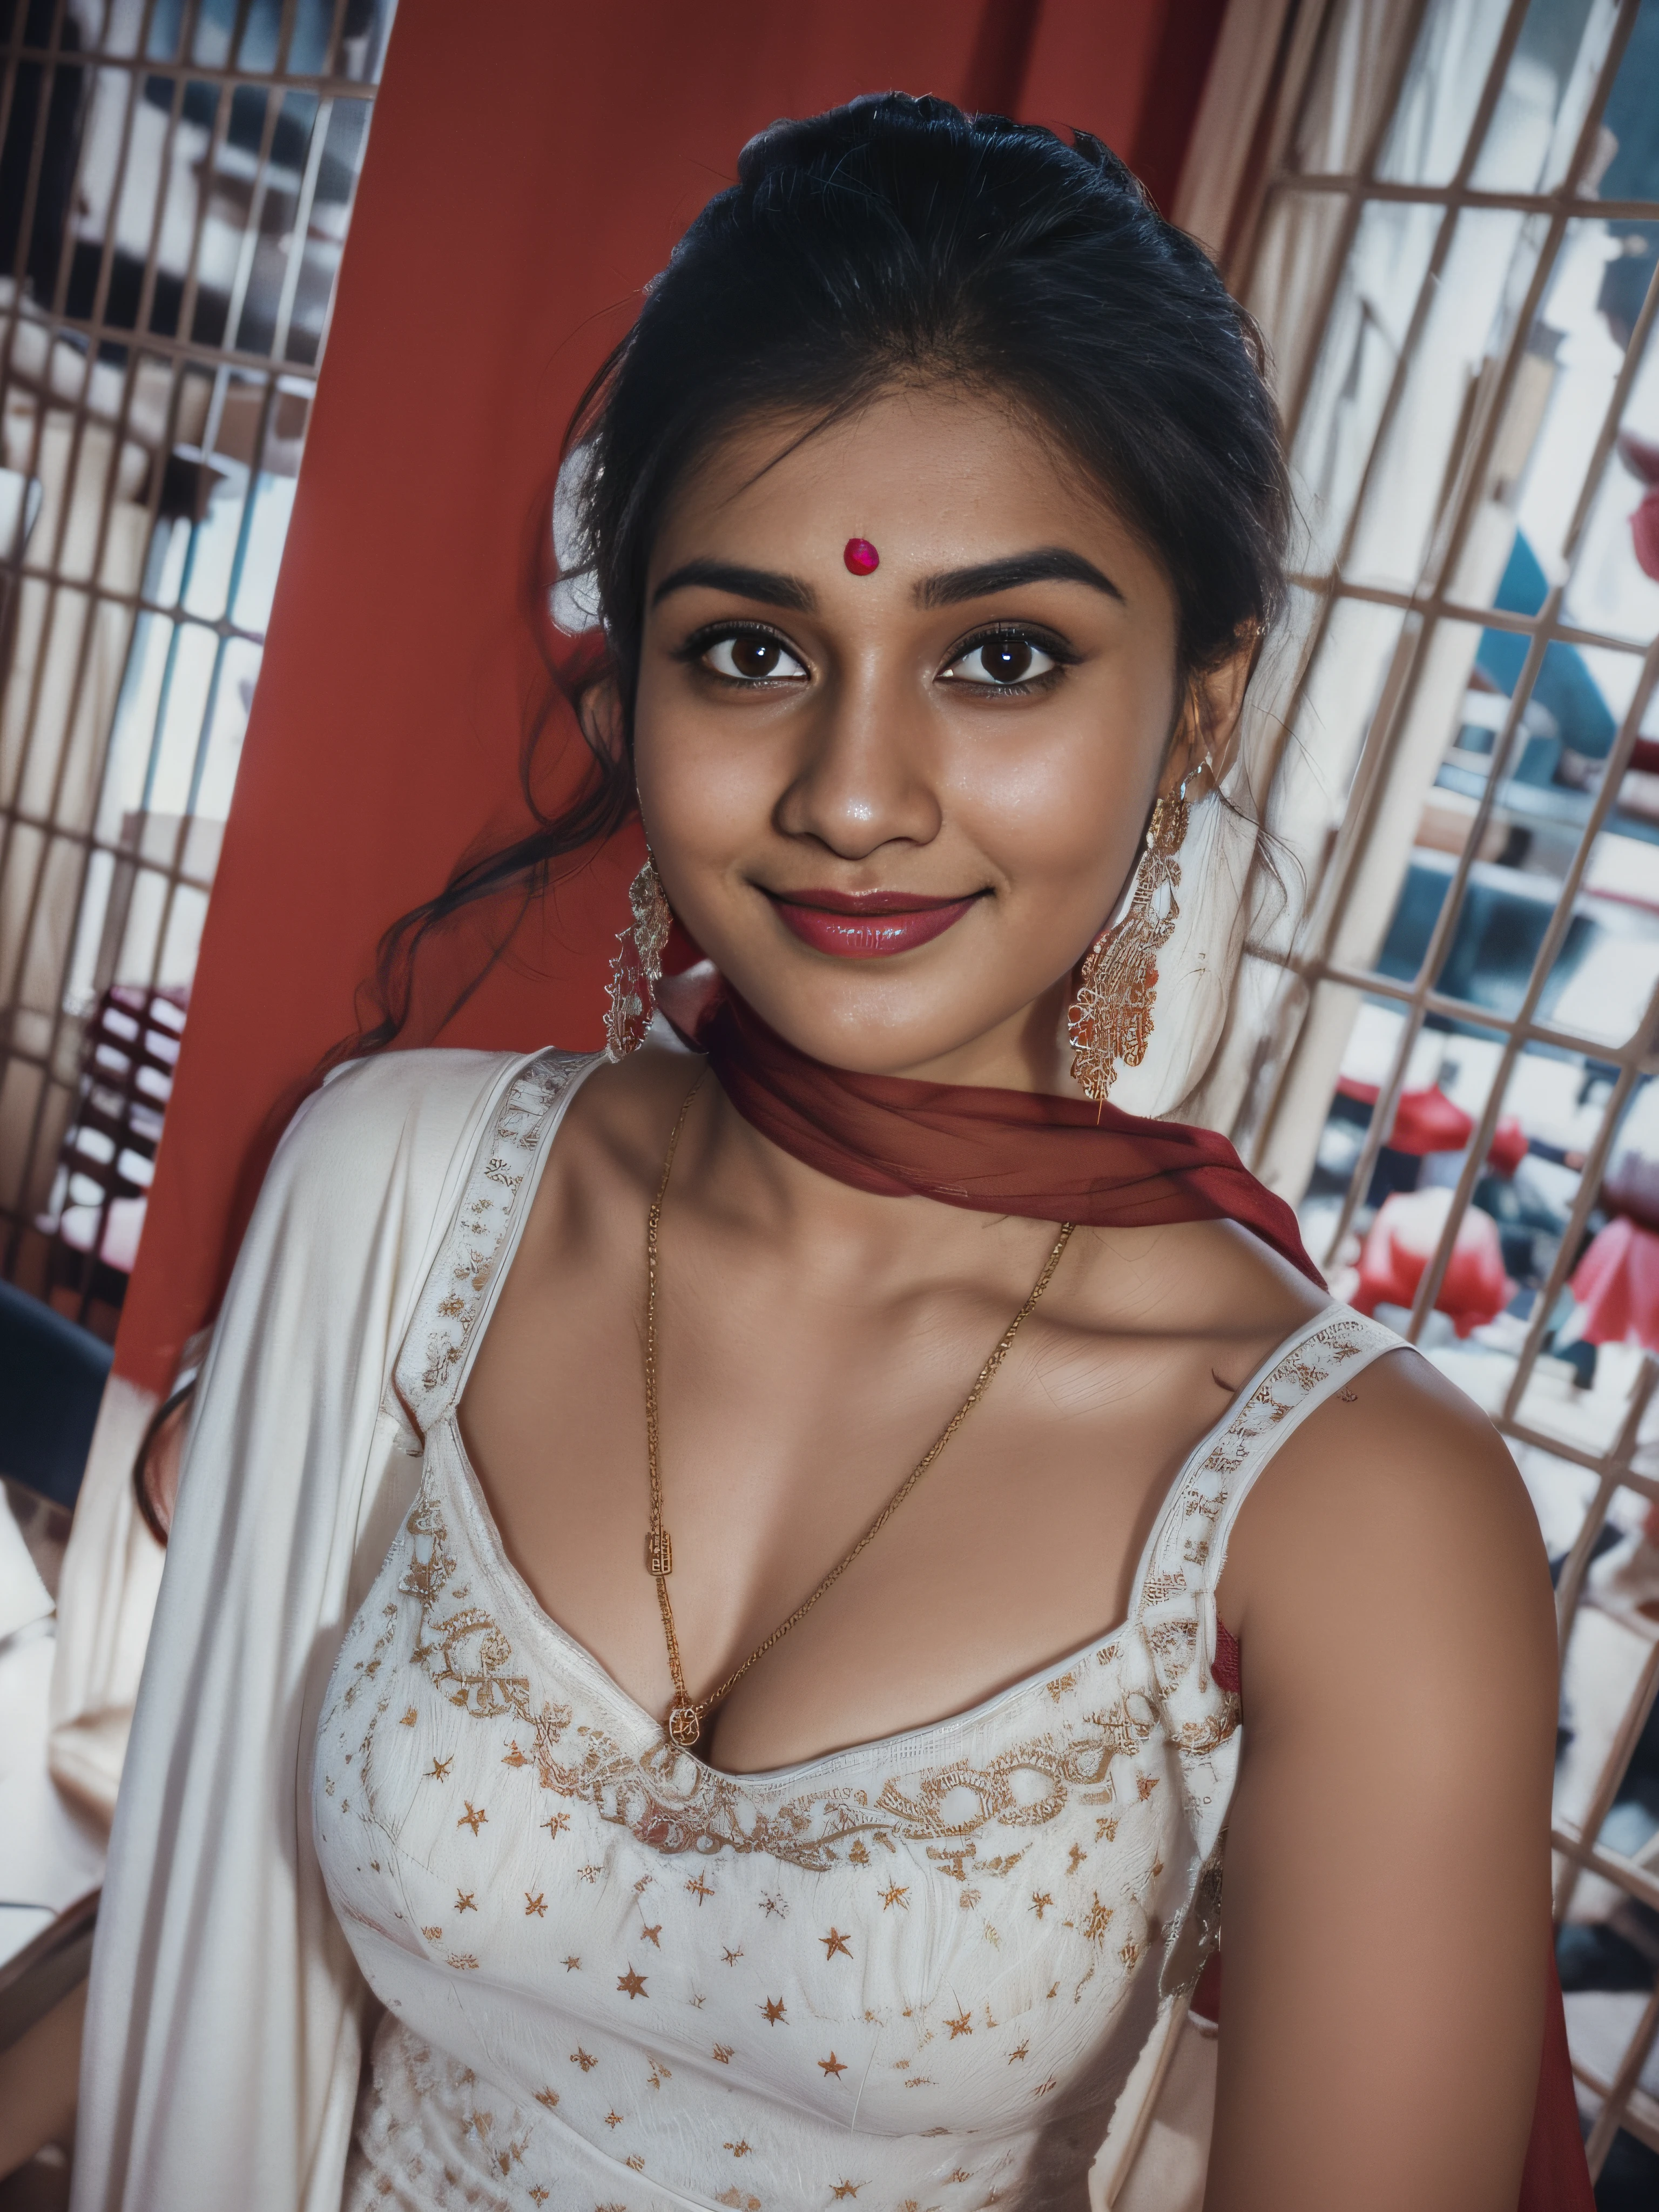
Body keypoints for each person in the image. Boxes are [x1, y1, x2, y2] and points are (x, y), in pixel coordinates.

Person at [72, 96, 1581, 2212]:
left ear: (1206, 705)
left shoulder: (1351, 1514)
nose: (856, 793)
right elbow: (206, 1899)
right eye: (753, 651)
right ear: (636, 683)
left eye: (1003, 657)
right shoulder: (404, 1205)